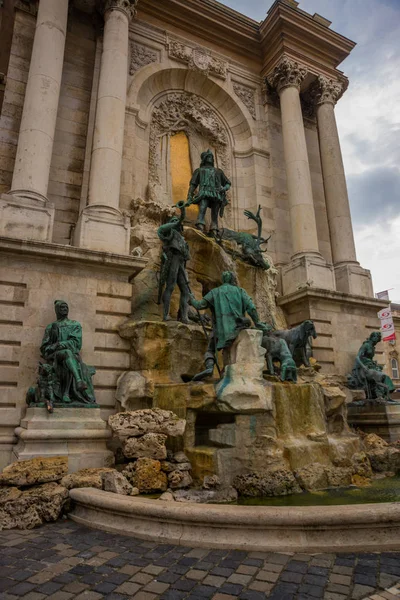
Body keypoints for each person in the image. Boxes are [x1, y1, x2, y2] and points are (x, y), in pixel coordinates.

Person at [189, 271, 269, 380]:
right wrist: (258, 322)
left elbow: (199, 305)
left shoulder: (215, 292)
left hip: (220, 331)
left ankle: (209, 367)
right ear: (233, 279)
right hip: (238, 328)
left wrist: (191, 298)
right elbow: (252, 308)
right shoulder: (240, 291)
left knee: (210, 349)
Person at [39, 300, 96, 404]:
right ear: (57, 310)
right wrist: (54, 346)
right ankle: (78, 381)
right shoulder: (51, 327)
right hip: (54, 356)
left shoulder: (75, 324)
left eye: (66, 307)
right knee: (67, 353)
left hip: (70, 355)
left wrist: (61, 344)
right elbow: (44, 348)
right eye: (62, 307)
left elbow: (76, 343)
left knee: (68, 354)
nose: (65, 309)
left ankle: (67, 393)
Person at [157, 202, 190, 323]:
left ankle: (185, 317)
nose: (176, 222)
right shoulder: (166, 231)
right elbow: (179, 220)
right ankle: (165, 315)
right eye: (173, 220)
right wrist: (182, 210)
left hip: (181, 261)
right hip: (172, 259)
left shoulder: (181, 238)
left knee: (186, 290)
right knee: (170, 286)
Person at [186, 149, 231, 235]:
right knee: (202, 209)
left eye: (212, 157)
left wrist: (223, 189)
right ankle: (200, 225)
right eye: (209, 157)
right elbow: (193, 185)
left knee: (214, 213)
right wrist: (189, 197)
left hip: (216, 194)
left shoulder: (218, 171)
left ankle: (214, 228)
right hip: (204, 193)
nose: (211, 158)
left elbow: (228, 183)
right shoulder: (199, 171)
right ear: (204, 159)